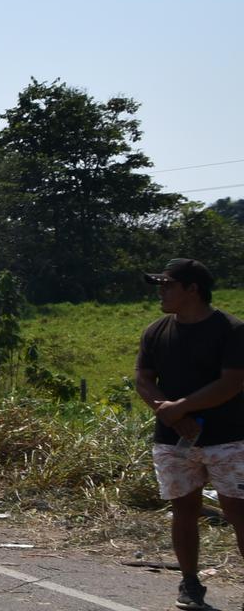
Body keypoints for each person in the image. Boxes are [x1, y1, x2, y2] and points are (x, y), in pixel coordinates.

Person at [133, 258, 244, 611]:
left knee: (238, 512)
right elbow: (144, 380)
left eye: (167, 285)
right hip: (173, 441)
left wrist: (178, 408)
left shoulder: (231, 329)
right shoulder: (156, 331)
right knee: (184, 511)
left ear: (192, 289)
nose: (161, 292)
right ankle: (190, 584)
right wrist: (171, 412)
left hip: (230, 438)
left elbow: (231, 383)